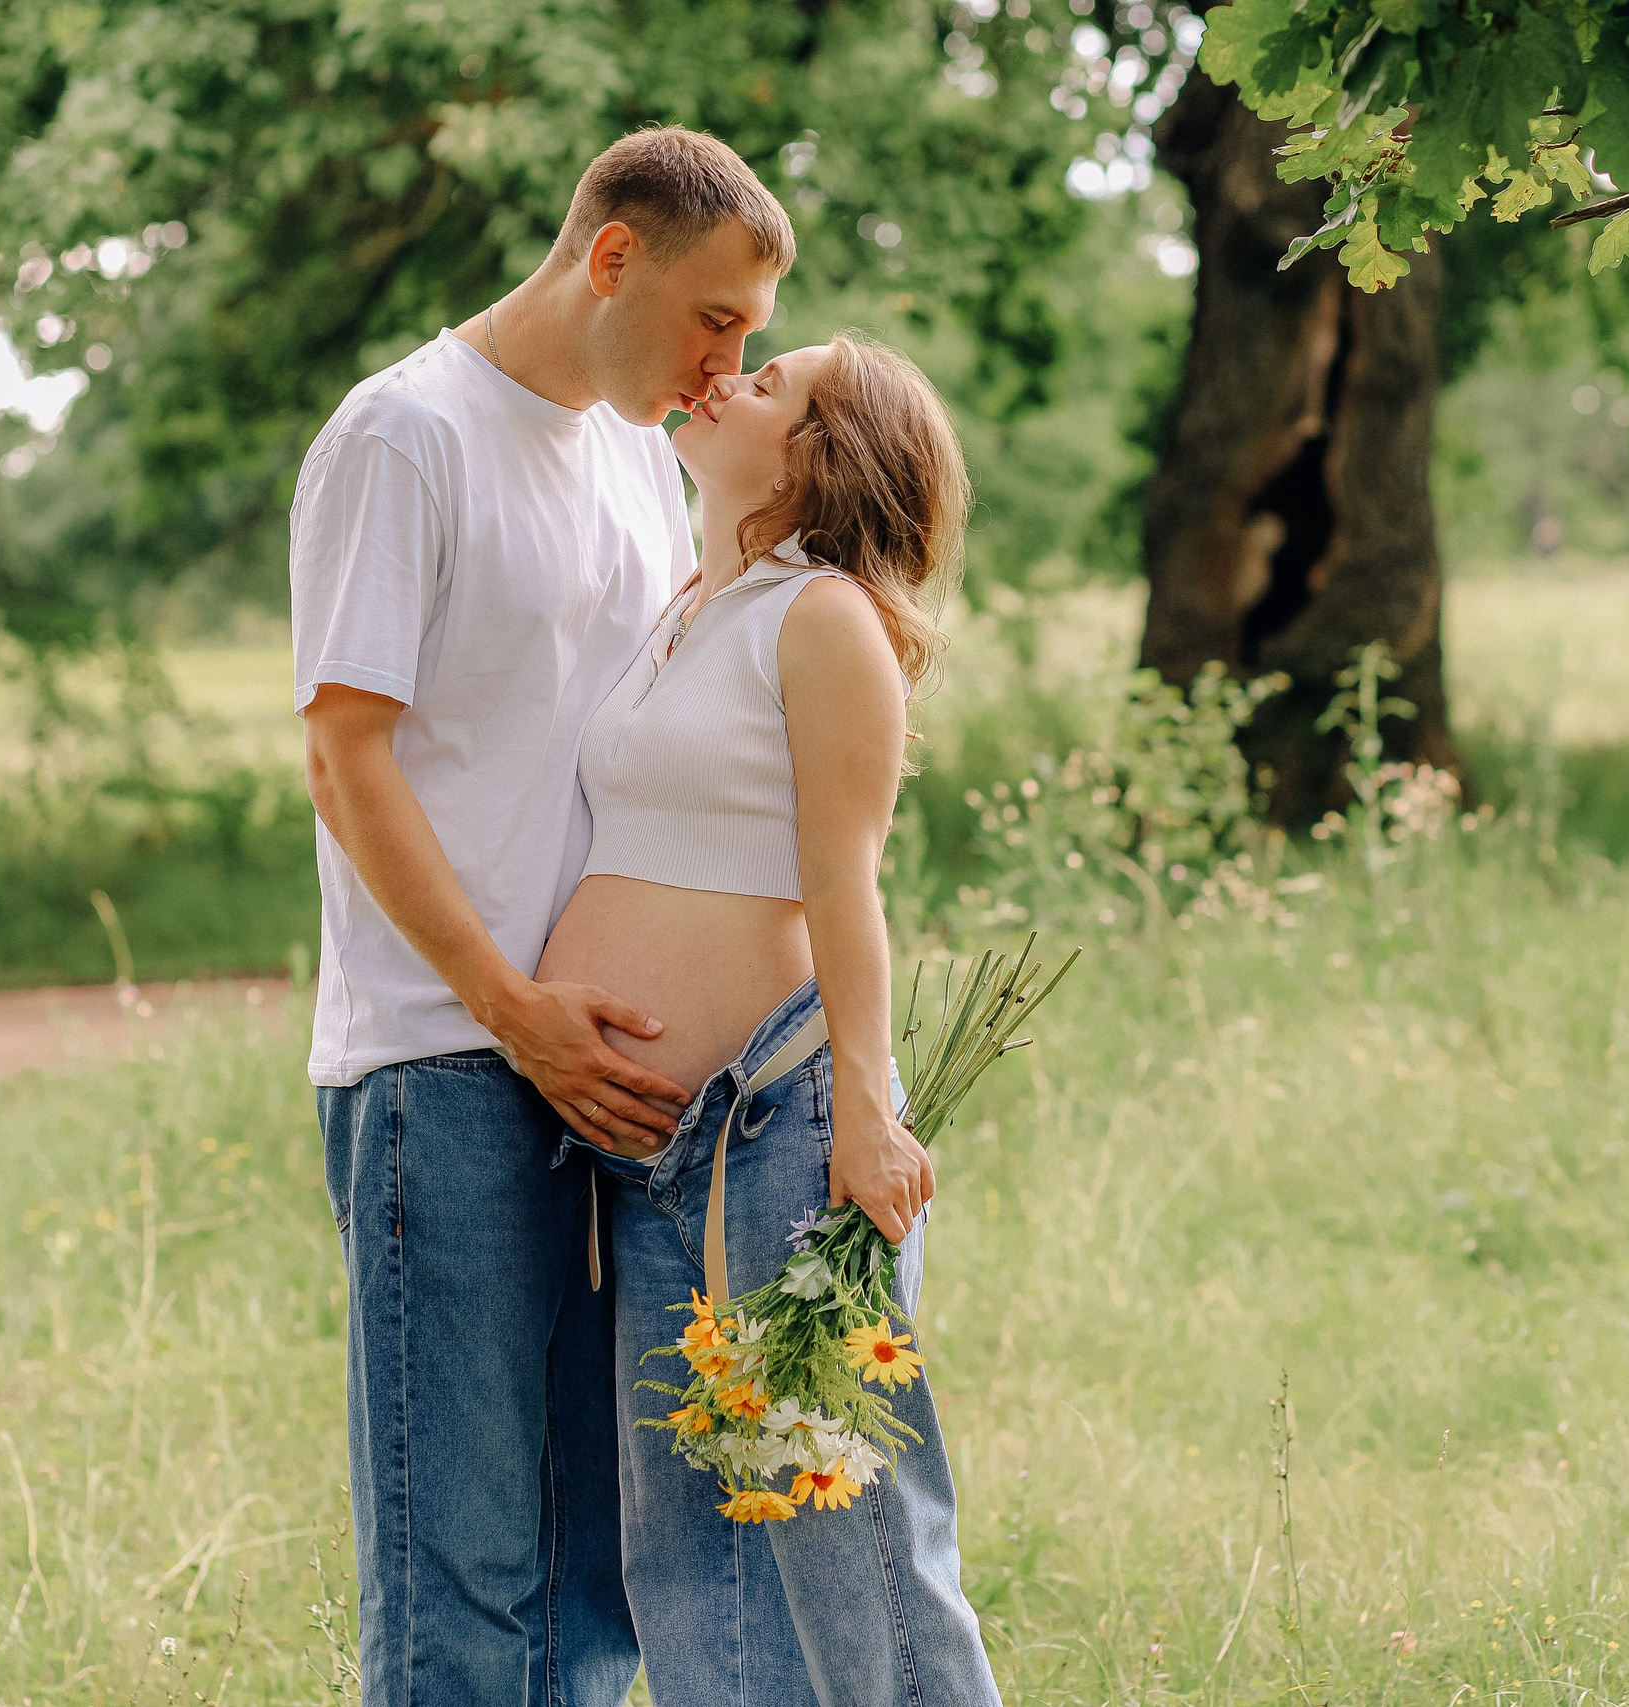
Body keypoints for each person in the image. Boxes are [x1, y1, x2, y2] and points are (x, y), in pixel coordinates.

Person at [290, 128, 794, 1707]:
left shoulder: (641, 461)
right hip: (448, 1061)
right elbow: (343, 752)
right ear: (613, 256)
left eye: (753, 336)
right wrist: (511, 1005)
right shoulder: (405, 434)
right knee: (464, 1571)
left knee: (591, 1578)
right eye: (716, 318)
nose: (731, 361)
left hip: (624, 1095)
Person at [535, 334, 1002, 1706]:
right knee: (692, 1568)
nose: (726, 377)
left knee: (850, 1543)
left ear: (819, 457)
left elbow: (843, 885)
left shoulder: (823, 618)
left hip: (780, 1131)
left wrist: (867, 1116)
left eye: (771, 381)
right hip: (651, 1153)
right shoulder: (689, 608)